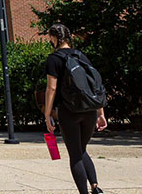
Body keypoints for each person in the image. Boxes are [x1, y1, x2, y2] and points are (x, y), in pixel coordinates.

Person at [44, 23, 107, 194]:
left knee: (75, 154)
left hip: (69, 111)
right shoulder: (81, 56)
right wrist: (100, 113)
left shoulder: (54, 59)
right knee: (82, 149)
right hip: (89, 110)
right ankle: (95, 187)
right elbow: (95, 86)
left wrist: (47, 114)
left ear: (54, 37)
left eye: (50, 37)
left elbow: (51, 89)